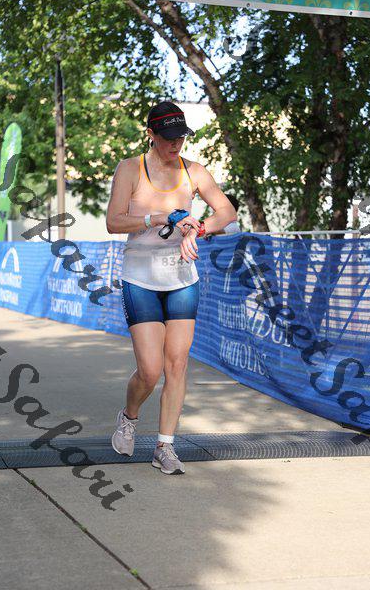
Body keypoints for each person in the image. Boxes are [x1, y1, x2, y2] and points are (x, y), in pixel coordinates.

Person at [106, 100, 237, 474]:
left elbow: (227, 213)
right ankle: (129, 416)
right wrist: (158, 217)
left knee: (176, 364)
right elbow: (113, 222)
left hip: (182, 279)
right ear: (151, 134)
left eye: (181, 137)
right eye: (168, 138)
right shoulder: (130, 169)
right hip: (141, 278)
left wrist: (198, 229)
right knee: (150, 371)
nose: (176, 143)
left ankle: (165, 447)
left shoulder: (194, 171)